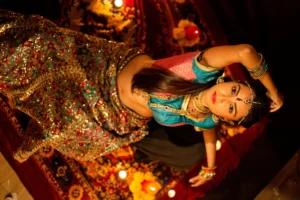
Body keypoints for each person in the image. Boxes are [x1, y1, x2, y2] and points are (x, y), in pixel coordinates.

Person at [0, 10, 283, 187]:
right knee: (32, 54)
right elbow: (245, 52)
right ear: (230, 80)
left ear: (224, 117)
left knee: (68, 128)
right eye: (234, 90)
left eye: (231, 107)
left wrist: (210, 169)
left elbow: (210, 133)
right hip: (105, 70)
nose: (224, 97)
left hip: (120, 114)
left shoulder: (205, 116)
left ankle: (44, 125)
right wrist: (272, 91)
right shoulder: (203, 68)